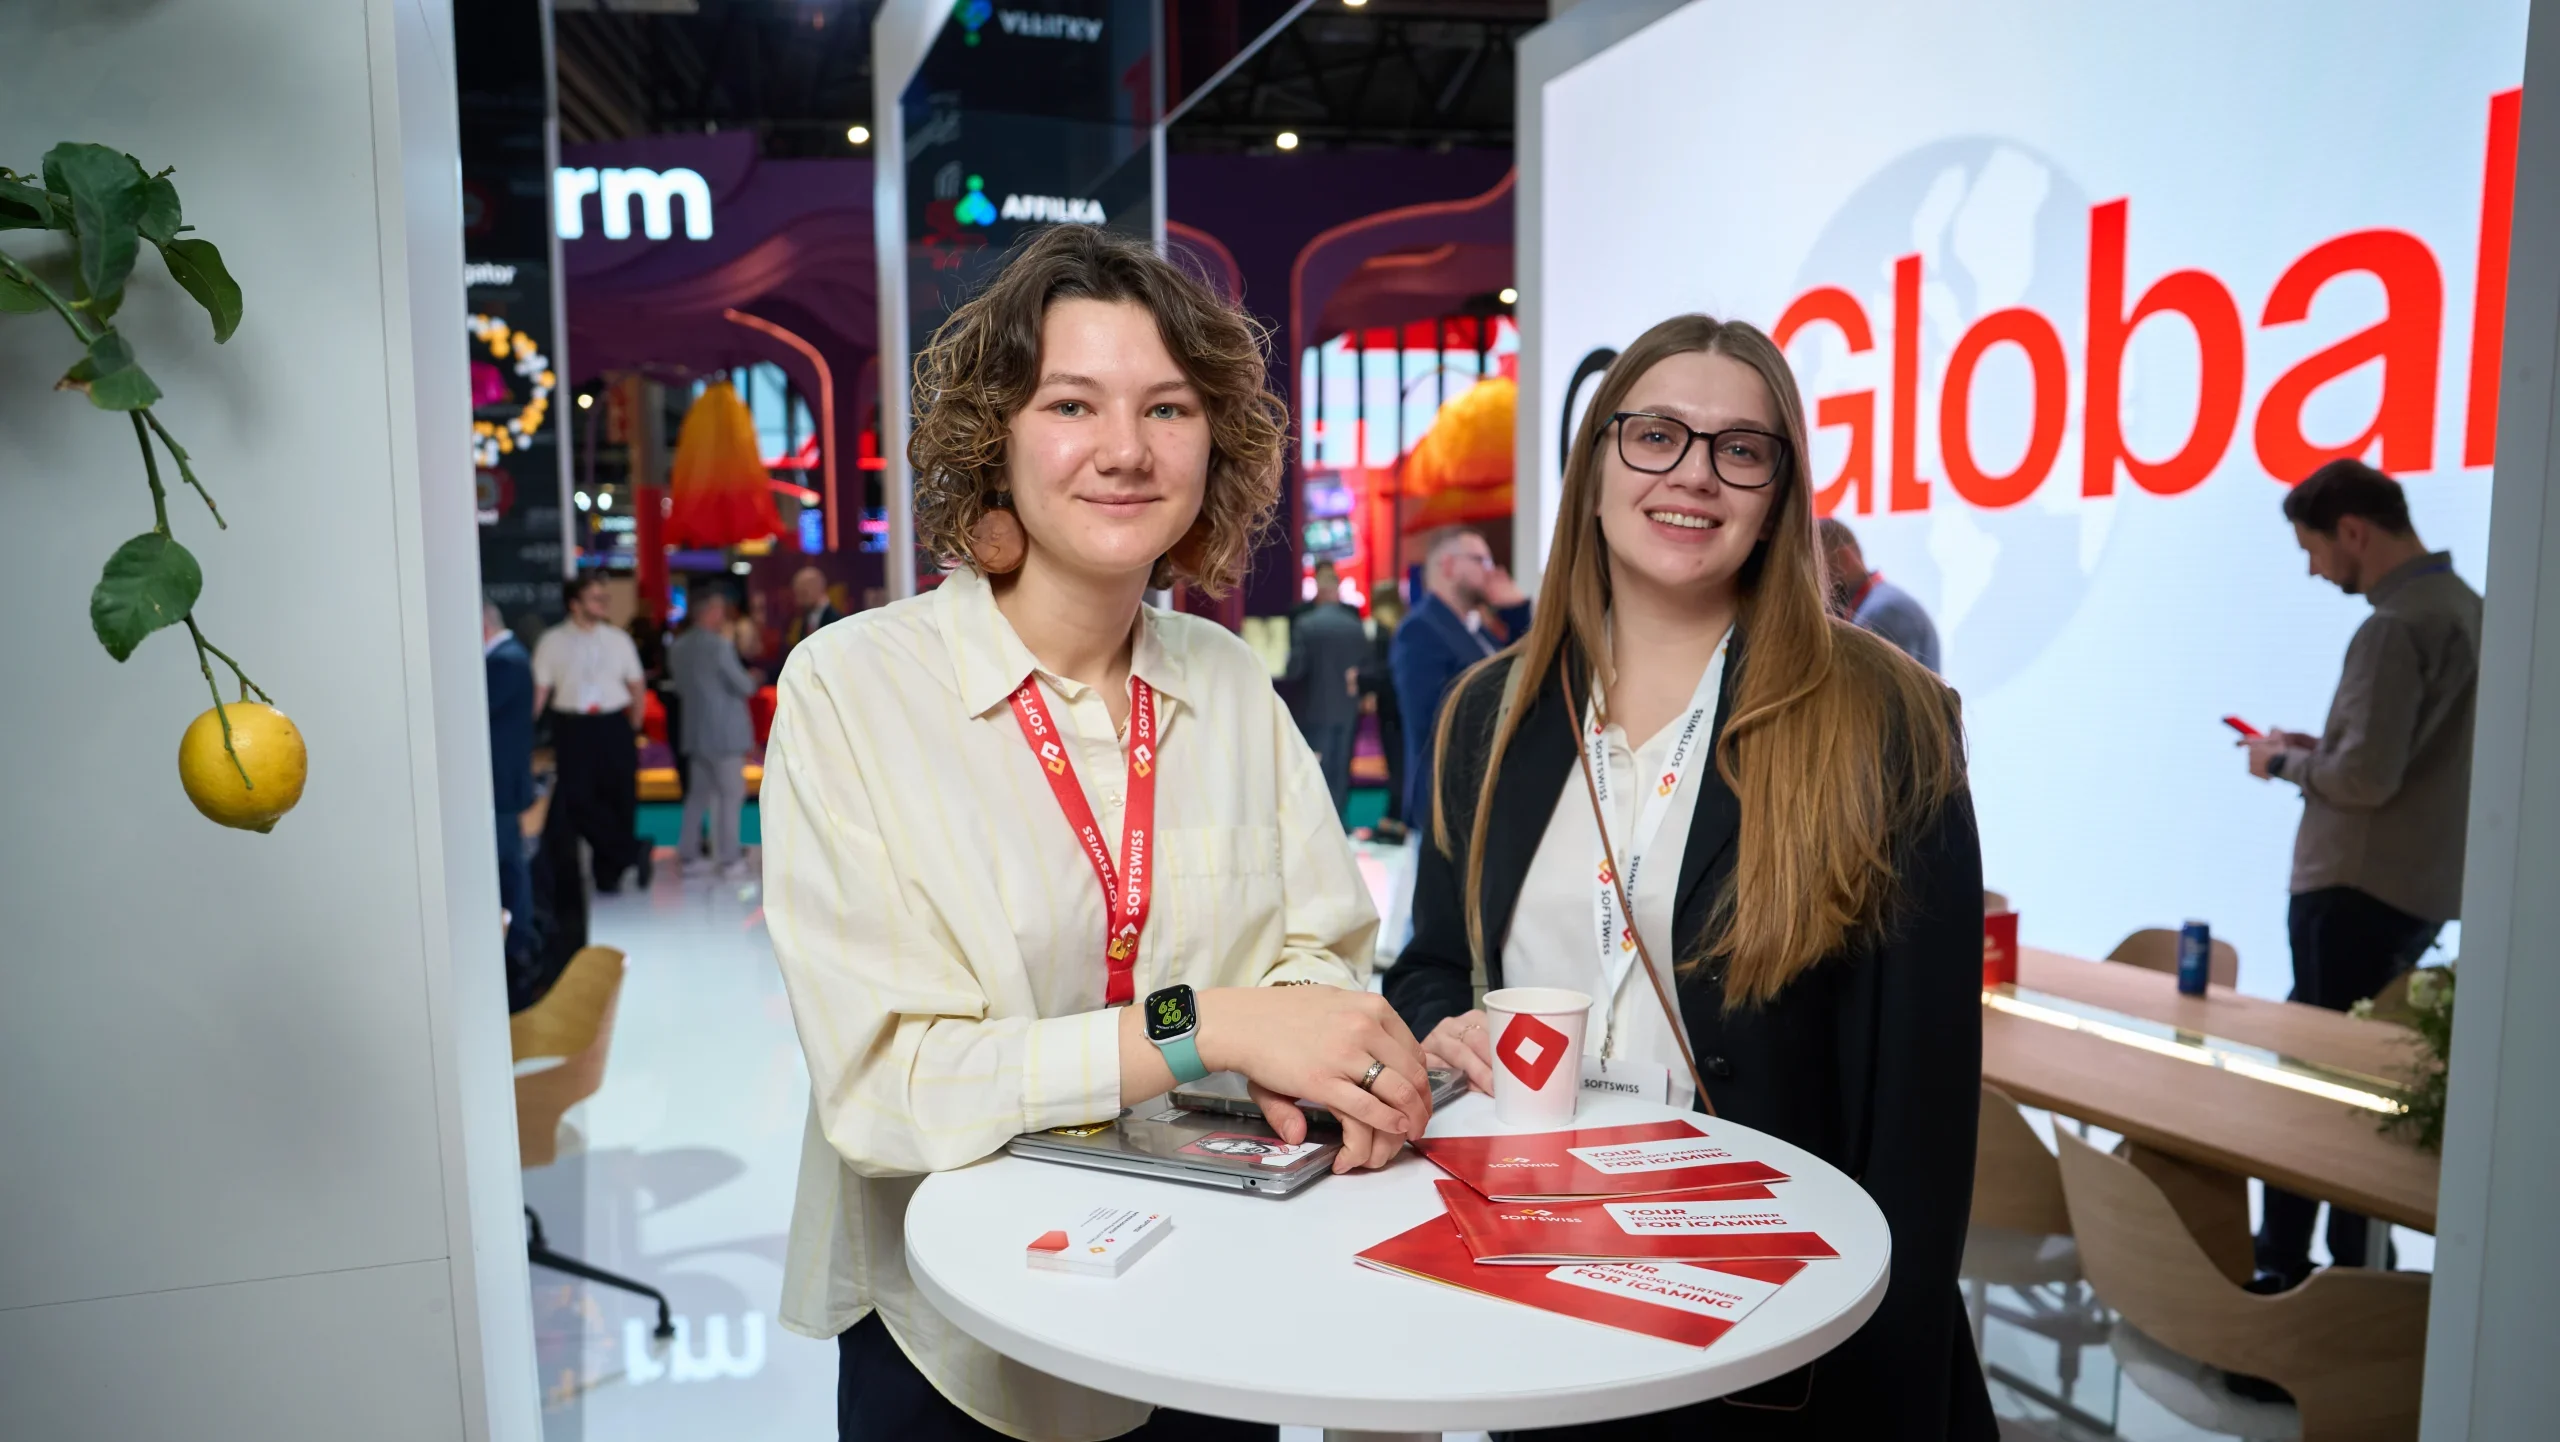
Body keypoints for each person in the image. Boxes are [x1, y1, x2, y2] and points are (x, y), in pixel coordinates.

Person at [760, 224, 1431, 1442]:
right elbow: (888, 1087)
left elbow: (1319, 948)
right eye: (1074, 403)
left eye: (1168, 408)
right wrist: (1208, 1024)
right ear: (995, 441)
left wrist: (1303, 1024)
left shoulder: (1224, 680)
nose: (1125, 450)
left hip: (1209, 1302)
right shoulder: (852, 690)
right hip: (958, 1335)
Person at [1385, 314, 1991, 1439]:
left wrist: (1883, 1380)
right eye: (1655, 434)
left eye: (1740, 448)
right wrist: (1444, 1027)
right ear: (1598, 466)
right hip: (1529, 1280)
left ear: (1776, 493)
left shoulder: (1881, 720)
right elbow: (1426, 965)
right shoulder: (1493, 712)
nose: (1694, 475)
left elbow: (1920, 1112)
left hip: (1767, 1326)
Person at [2241, 458, 2481, 1291]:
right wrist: (2322, 752)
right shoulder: (2470, 613)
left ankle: (2282, 1276)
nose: (2313, 569)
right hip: (2417, 895)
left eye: (2314, 550)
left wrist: (2280, 762)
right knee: (2368, 1092)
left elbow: (2367, 783)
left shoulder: (2391, 627)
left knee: (2313, 1090)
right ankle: (2355, 1280)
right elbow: (2405, 763)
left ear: (2353, 531)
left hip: (2351, 890)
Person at [533, 574, 652, 894]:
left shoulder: (618, 640)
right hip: (573, 726)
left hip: (614, 724)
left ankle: (610, 872)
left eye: (604, 598)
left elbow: (636, 683)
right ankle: (631, 851)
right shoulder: (552, 641)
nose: (602, 604)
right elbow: (540, 690)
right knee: (576, 799)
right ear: (575, 605)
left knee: (619, 796)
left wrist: (635, 724)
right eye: (595, 598)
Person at [667, 587, 763, 877]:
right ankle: (729, 857)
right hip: (724, 734)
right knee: (731, 794)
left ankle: (689, 854)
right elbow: (743, 685)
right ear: (709, 613)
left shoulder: (678, 646)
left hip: (695, 732)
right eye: (719, 610)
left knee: (698, 796)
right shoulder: (719, 646)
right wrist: (753, 678)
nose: (723, 616)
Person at [1281, 560, 1369, 821]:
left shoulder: (1305, 624)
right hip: (1347, 708)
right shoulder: (1354, 624)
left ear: (1317, 588)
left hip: (1313, 708)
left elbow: (1295, 669)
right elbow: (1365, 667)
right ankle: (1339, 825)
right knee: (1340, 769)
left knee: (1314, 769)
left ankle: (1315, 824)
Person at [484, 600, 539, 1003]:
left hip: (501, 782)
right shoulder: (512, 656)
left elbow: (480, 713)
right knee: (509, 859)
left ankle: (519, 940)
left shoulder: (505, 661)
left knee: (508, 861)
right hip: (504, 780)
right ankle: (519, 936)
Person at [1817, 516, 1940, 673]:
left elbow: (1873, 694)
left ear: (1842, 559)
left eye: (1813, 567)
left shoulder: (1884, 613)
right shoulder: (1881, 606)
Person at [1354, 592, 1408, 840]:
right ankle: (1396, 818)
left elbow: (1386, 672)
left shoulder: (1387, 634)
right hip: (1400, 709)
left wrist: (1362, 683)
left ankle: (1396, 820)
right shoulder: (1403, 630)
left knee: (1397, 765)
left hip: (1392, 710)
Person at [782, 565, 843, 660]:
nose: (798, 600)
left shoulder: (837, 622)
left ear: (817, 587)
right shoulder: (803, 621)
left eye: (802, 593)